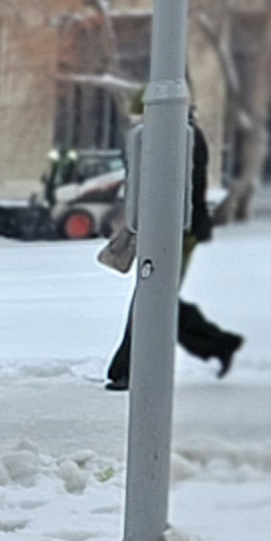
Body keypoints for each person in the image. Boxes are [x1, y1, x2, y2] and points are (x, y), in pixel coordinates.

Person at [106, 118, 246, 390]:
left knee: (153, 298)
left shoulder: (177, 134)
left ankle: (130, 368)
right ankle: (218, 344)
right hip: (170, 227)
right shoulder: (171, 132)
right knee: (158, 297)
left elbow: (176, 186)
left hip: (177, 230)